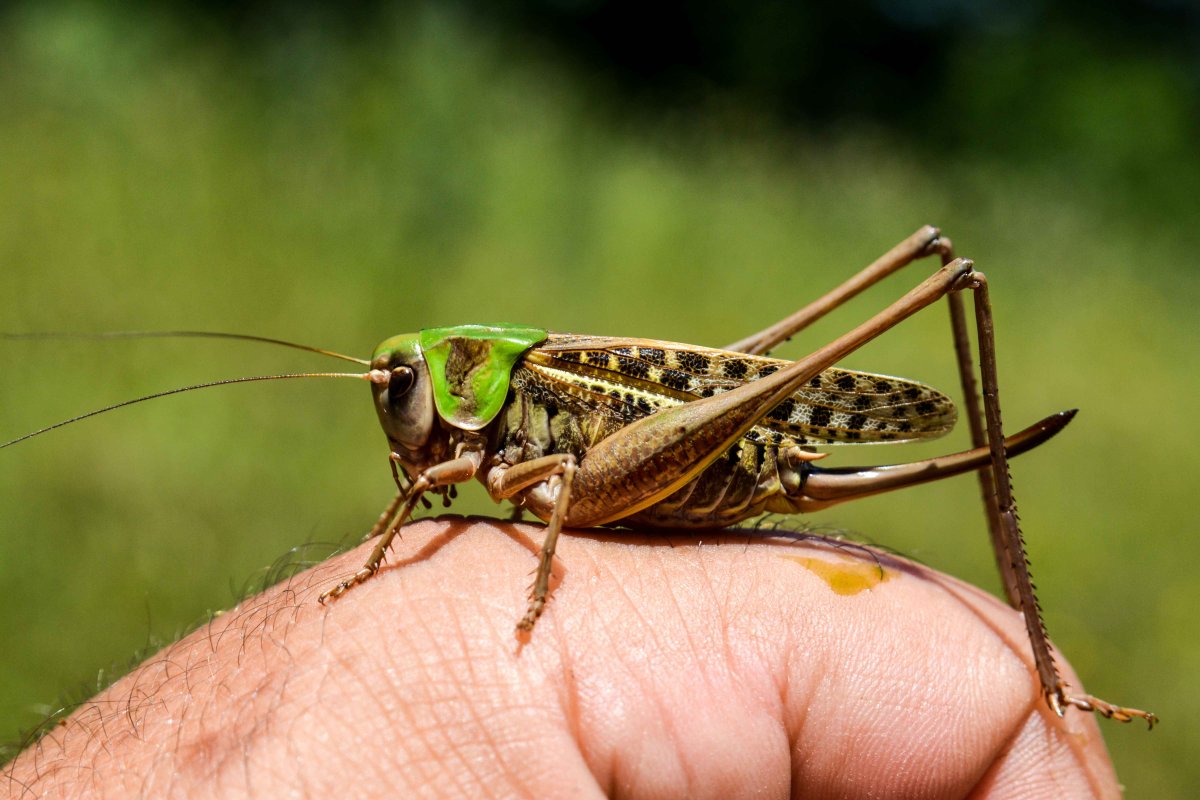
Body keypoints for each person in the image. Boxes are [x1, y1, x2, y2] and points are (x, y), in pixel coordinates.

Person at [3, 517, 1121, 798]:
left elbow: (563, 489)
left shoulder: (526, 387)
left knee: (940, 269)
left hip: (684, 439)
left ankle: (1052, 670)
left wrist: (539, 576)